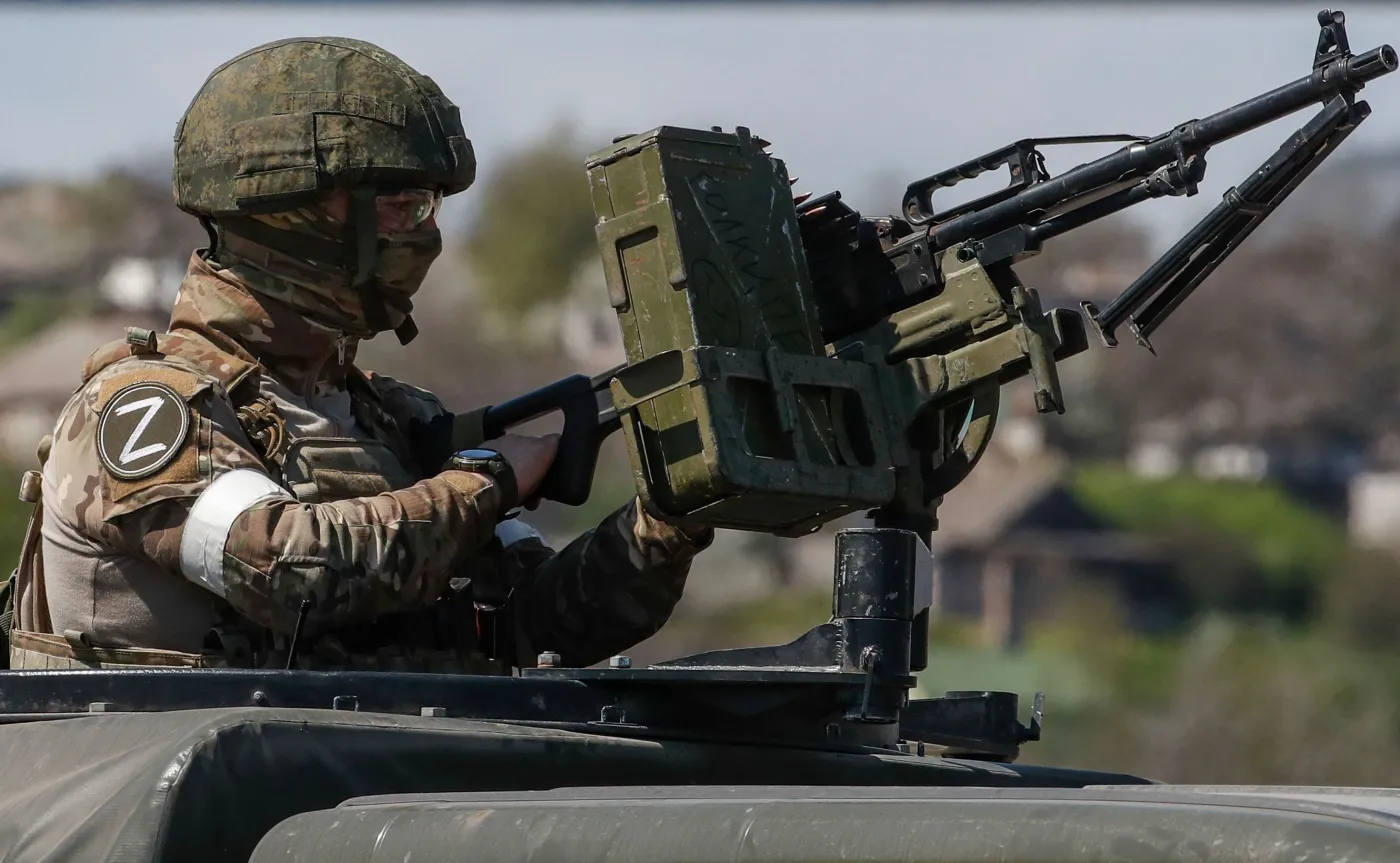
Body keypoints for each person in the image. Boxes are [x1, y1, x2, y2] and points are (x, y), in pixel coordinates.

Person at [2, 36, 713, 672]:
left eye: (428, 206)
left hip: (376, 796)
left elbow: (542, 620)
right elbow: (284, 566)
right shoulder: (142, 411)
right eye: (396, 205)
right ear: (289, 211)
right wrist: (491, 480)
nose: (423, 233)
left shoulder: (390, 420)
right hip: (173, 805)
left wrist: (669, 516)